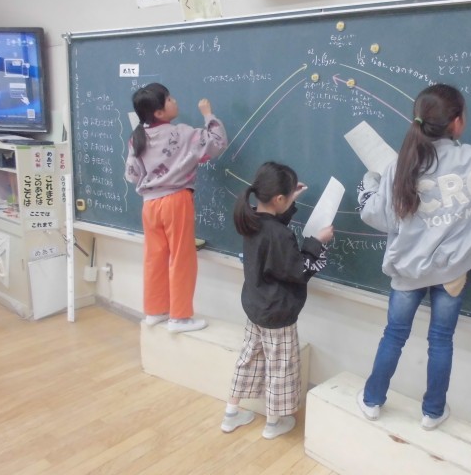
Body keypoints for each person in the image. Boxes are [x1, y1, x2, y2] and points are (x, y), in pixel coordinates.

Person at [355, 81, 471, 430]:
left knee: (394, 335)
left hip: (408, 273)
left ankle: (372, 401)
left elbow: (375, 214)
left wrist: (369, 184)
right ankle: (433, 412)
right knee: (440, 340)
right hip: (452, 274)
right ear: (458, 122)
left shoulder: (399, 168)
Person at [220, 161, 334, 439]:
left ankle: (231, 414)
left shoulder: (250, 219)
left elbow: (272, 230)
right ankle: (273, 423)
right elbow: (298, 269)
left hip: (256, 307)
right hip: (277, 312)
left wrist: (291, 200)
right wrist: (317, 242)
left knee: (248, 358)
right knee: (280, 367)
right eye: (289, 195)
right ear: (278, 198)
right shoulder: (279, 234)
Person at [125, 82, 227, 333]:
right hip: (176, 201)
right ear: (159, 112)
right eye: (169, 99)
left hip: (149, 205)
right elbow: (217, 142)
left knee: (154, 257)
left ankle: (155, 311)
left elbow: (132, 175)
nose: (175, 101)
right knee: (181, 257)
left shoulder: (136, 138)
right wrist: (208, 115)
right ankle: (179, 318)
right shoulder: (182, 133)